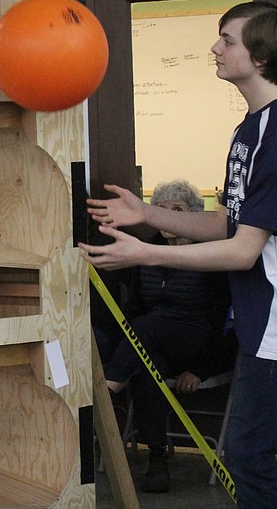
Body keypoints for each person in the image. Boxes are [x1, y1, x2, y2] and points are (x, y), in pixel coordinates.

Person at [81, 1, 277, 508]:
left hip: (276, 318)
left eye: (228, 40)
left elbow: (245, 251)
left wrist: (147, 256)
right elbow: (229, 222)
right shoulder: (249, 130)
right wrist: (150, 217)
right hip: (257, 315)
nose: (215, 49)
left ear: (261, 57)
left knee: (246, 456)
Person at [100, 179, 233, 494]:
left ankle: (109, 386)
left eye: (178, 210)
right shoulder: (146, 250)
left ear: (193, 216)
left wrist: (201, 369)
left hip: (196, 341)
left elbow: (222, 324)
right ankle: (157, 460)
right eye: (161, 209)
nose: (168, 215)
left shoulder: (211, 255)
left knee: (149, 325)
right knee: (149, 367)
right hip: (153, 343)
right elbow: (133, 309)